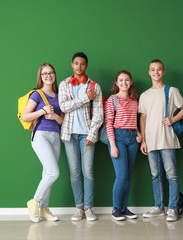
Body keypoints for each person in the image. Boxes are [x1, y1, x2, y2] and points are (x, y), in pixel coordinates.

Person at [139, 59, 183, 222]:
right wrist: (143, 140)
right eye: (153, 70)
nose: (156, 72)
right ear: (149, 72)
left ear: (163, 72)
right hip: (151, 141)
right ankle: (159, 207)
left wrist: (172, 120)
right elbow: (143, 118)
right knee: (155, 174)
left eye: (159, 69)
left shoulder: (171, 91)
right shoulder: (144, 95)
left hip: (167, 139)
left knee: (171, 175)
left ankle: (172, 208)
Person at [58, 52, 103, 221]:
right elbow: (64, 106)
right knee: (74, 172)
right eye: (76, 63)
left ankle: (89, 208)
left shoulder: (94, 86)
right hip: (69, 135)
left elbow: (99, 113)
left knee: (88, 172)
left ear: (86, 66)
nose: (79, 67)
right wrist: (85, 98)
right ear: (72, 65)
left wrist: (92, 134)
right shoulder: (64, 84)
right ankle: (79, 208)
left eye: (82, 64)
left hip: (87, 136)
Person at [23, 63, 64, 223]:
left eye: (51, 73)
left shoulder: (60, 95)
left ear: (54, 75)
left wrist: (54, 117)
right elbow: (26, 116)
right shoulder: (37, 94)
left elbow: (62, 120)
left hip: (55, 136)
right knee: (54, 172)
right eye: (45, 73)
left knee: (48, 173)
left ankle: (44, 208)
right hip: (41, 136)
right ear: (40, 77)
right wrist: (43, 111)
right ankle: (35, 201)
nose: (48, 76)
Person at [105, 70, 142, 221]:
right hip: (118, 138)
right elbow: (108, 124)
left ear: (131, 82)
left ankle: (123, 208)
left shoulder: (134, 101)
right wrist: (113, 145)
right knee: (121, 176)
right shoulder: (112, 100)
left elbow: (134, 120)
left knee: (127, 176)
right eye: (121, 80)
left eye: (127, 80)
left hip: (132, 139)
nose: (124, 83)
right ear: (116, 83)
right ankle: (115, 210)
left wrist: (139, 133)